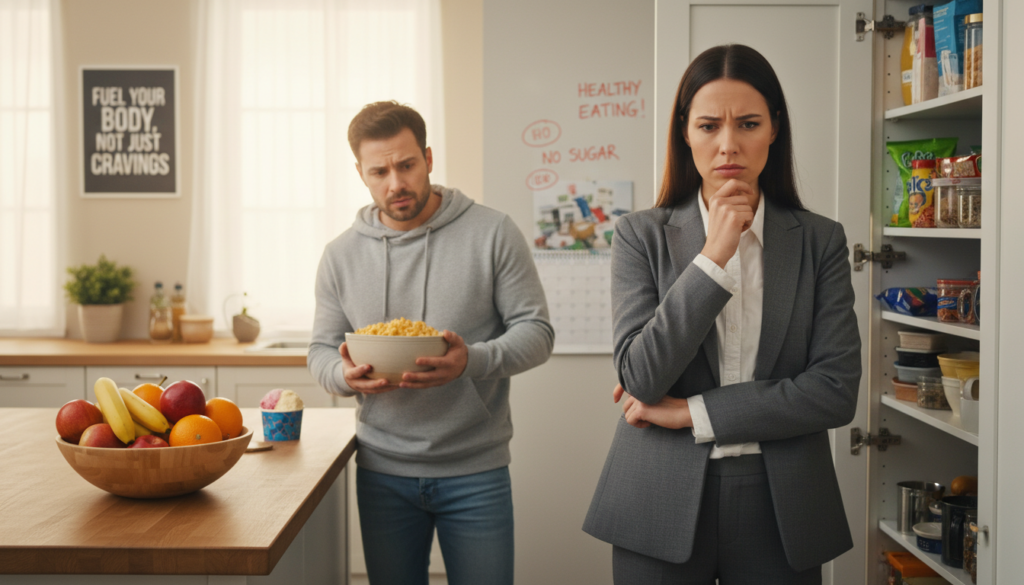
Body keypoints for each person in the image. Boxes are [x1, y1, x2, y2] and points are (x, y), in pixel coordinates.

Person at [582, 44, 861, 584]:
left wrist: (693, 413)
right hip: (657, 495)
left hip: (783, 502)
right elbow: (641, 376)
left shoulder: (820, 241)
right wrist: (713, 259)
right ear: (685, 132)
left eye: (749, 123)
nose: (728, 144)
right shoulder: (640, 235)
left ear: (774, 129)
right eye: (708, 125)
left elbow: (834, 391)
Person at [308, 101, 554, 585]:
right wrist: (344, 376)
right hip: (382, 469)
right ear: (361, 173)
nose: (395, 183)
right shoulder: (339, 256)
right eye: (379, 171)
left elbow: (537, 333)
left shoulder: (492, 233)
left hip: (475, 469)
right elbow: (320, 351)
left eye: (406, 165)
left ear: (429, 158)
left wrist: (471, 362)